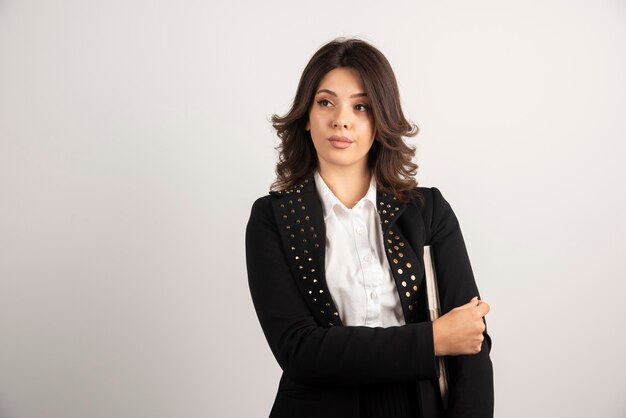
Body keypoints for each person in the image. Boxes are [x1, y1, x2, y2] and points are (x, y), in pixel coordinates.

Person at [245, 37, 493, 418]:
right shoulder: (271, 219)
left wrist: (447, 340)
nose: (341, 119)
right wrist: (433, 340)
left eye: (361, 106)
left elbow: (471, 342)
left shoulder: (428, 212)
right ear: (306, 117)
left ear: (381, 122)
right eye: (325, 102)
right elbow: (301, 352)